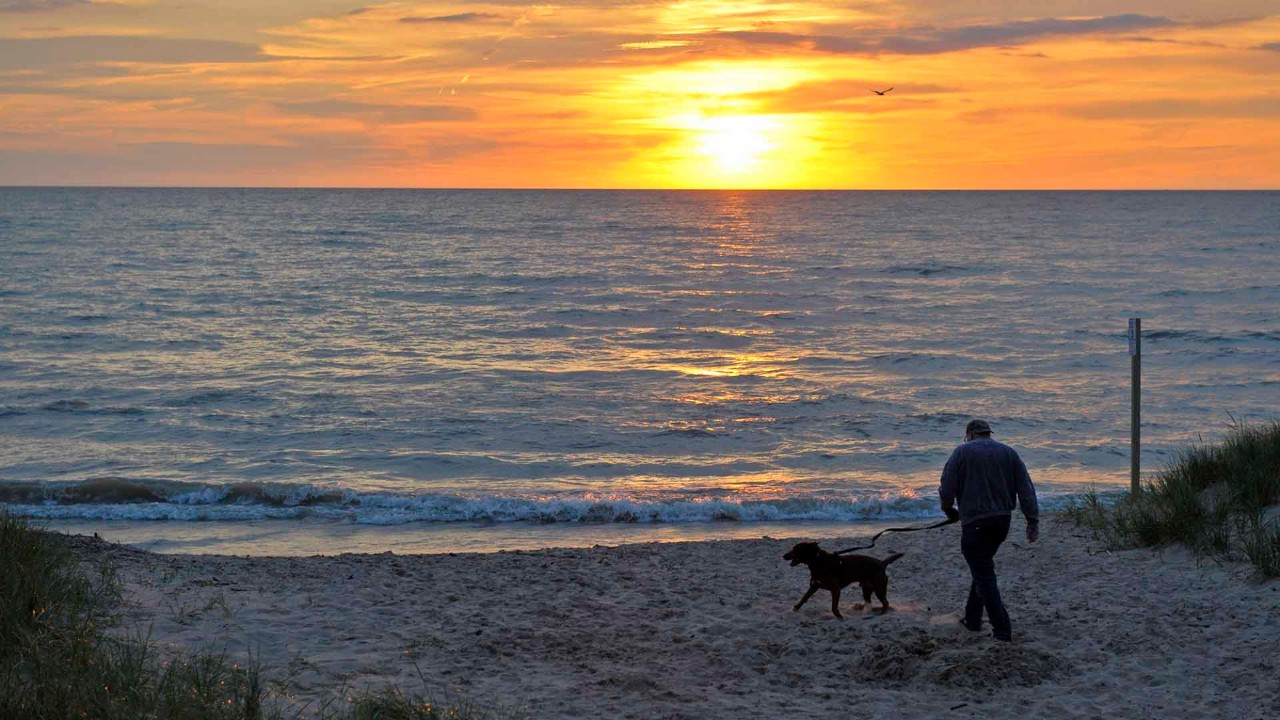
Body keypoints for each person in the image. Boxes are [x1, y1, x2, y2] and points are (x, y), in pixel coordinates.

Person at [939, 418, 1039, 642]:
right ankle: (972, 619)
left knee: (984, 575)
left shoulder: (962, 452)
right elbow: (1026, 488)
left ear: (970, 434)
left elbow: (947, 486)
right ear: (987, 433)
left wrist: (948, 509)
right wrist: (1032, 521)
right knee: (982, 568)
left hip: (975, 522)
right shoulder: (1009, 452)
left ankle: (1002, 629)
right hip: (1002, 522)